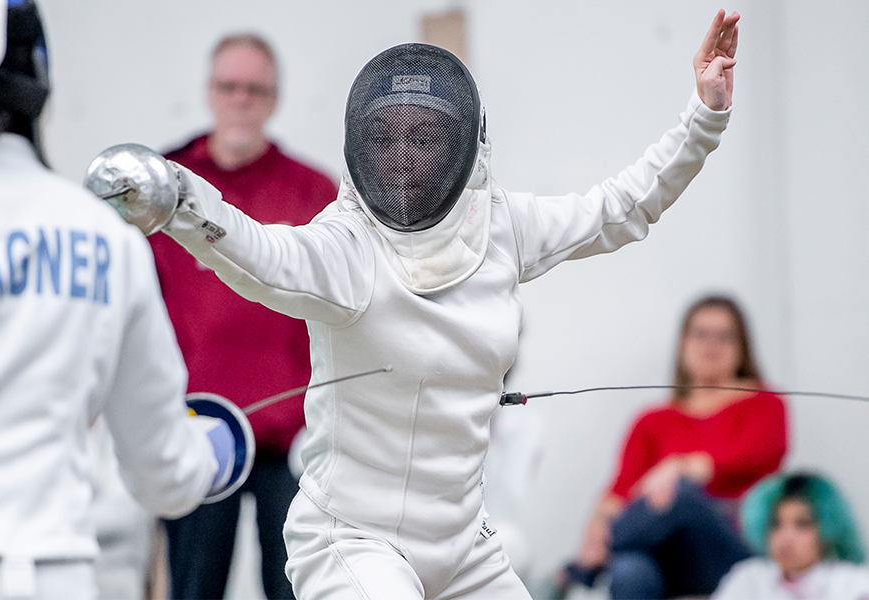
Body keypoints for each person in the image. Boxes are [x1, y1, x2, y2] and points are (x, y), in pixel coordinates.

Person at [101, 9, 740, 599]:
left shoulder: (501, 225)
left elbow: (622, 208)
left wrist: (703, 118)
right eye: (388, 137)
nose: (405, 158)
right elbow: (256, 252)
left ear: (463, 143)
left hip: (465, 547)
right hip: (352, 541)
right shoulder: (346, 245)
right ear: (363, 147)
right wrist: (178, 195)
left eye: (425, 136)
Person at [0, 1, 244, 597]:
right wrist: (218, 446)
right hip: (55, 576)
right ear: (37, 79)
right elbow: (162, 473)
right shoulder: (103, 237)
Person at [149, 33, 337, 600]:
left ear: (273, 99)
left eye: (255, 89)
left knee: (297, 588)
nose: (241, 100)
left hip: (293, 437)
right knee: (194, 587)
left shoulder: (313, 192)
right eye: (229, 87)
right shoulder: (167, 188)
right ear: (210, 92)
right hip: (197, 427)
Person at [558, 295, 788, 599]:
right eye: (701, 334)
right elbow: (621, 489)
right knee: (628, 571)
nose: (711, 344)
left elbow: (752, 458)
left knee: (680, 491)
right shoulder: (652, 420)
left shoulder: (764, 404)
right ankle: (600, 557)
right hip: (662, 554)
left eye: (724, 336)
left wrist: (679, 468)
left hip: (727, 548)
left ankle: (578, 572)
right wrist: (598, 523)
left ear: (741, 346)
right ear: (683, 343)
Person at [712, 471, 869, 600]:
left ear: (829, 528)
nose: (786, 537)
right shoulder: (748, 578)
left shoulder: (851, 583)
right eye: (776, 524)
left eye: (802, 524)